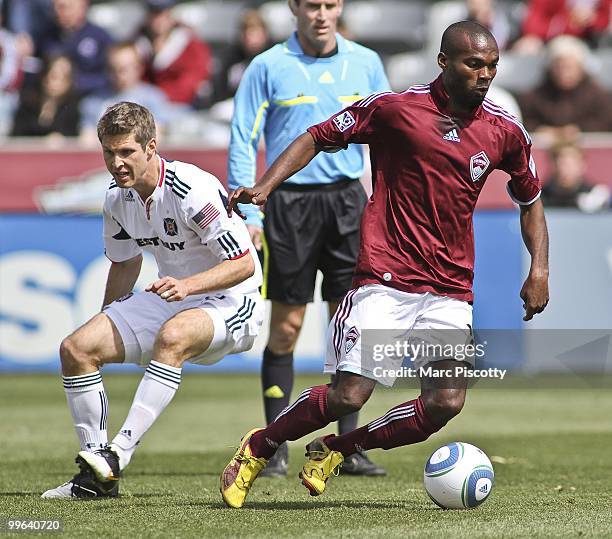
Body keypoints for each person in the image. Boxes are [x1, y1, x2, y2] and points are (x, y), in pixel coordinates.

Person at [220, 20, 550, 509]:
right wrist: (267, 186)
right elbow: (317, 135)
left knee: (445, 403)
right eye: (474, 64)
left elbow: (531, 200)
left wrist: (539, 269)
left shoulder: (504, 131)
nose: (485, 74)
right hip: (385, 278)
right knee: (349, 395)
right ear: (444, 62)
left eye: (493, 65)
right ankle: (259, 446)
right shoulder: (397, 110)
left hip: (450, 288)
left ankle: (336, 449)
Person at [42, 101, 264, 499]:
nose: (117, 163)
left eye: (126, 151)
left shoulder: (190, 188)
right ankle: (96, 475)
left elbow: (244, 263)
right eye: (109, 152)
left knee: (173, 335)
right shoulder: (116, 199)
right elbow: (126, 265)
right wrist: (108, 320)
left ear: (151, 147)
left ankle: (118, 454)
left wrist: (189, 286)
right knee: (77, 348)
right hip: (177, 293)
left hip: (233, 300)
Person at [228, 0, 390, 477]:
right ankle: (273, 444)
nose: (321, 14)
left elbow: (390, 134)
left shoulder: (366, 62)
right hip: (289, 205)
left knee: (352, 326)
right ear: (295, 8)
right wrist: (249, 211)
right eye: (312, 5)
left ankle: (345, 447)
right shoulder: (268, 65)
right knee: (288, 326)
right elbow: (243, 136)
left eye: (330, 4)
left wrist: (386, 202)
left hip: (347, 203)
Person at [518, 35, 612, 139]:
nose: (564, 72)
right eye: (559, 67)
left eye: (569, 67)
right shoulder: (535, 96)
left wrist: (579, 130)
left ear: (580, 67)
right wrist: (541, 130)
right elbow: (523, 121)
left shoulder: (598, 96)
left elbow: (605, 122)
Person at [79, 42, 172, 143]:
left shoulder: (153, 98)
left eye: (123, 69)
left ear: (139, 68)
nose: (118, 75)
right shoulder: (94, 101)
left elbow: (157, 135)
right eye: (112, 69)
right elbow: (87, 139)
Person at [136, 0, 212, 106]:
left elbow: (190, 84)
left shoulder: (191, 45)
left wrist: (155, 97)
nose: (158, 20)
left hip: (181, 107)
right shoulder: (138, 43)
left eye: (163, 14)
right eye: (153, 14)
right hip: (143, 104)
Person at [37, 0, 113, 97]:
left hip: (88, 98)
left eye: (64, 7)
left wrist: (74, 82)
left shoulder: (100, 38)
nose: (57, 12)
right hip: (51, 98)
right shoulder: (47, 36)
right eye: (54, 7)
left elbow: (110, 76)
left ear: (83, 6)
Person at [11, 54, 79, 138]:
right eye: (55, 77)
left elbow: (73, 137)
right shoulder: (27, 105)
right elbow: (17, 136)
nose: (60, 82)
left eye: (65, 77)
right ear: (45, 76)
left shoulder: (72, 109)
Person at [541, 139, 610, 211]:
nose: (565, 169)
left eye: (571, 164)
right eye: (562, 164)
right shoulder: (540, 196)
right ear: (553, 165)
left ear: (582, 165)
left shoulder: (596, 195)